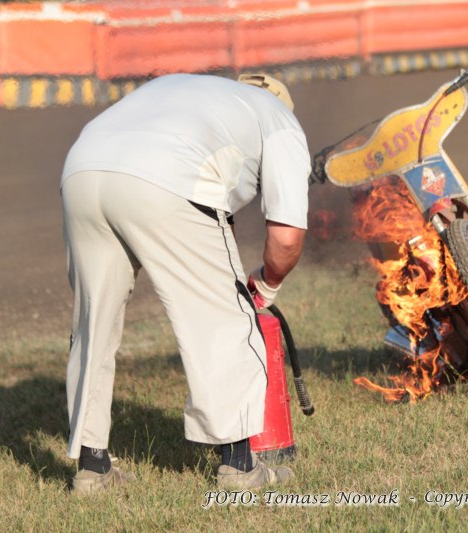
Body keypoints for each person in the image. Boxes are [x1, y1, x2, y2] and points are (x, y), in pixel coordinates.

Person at [60, 73, 310, 494]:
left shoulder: (195, 90)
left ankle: (92, 467)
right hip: (166, 178)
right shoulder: (280, 120)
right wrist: (266, 287)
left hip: (82, 171)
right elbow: (286, 236)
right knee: (223, 318)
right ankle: (239, 466)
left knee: (93, 324)